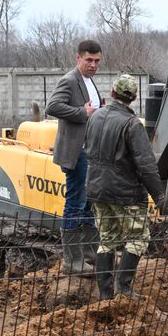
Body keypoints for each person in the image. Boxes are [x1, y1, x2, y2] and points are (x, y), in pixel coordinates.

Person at [84, 74, 165, 299]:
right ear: (134, 98)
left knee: (107, 239)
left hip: (97, 189)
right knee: (138, 237)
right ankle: (125, 288)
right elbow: (146, 166)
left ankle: (105, 295)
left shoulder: (95, 117)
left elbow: (88, 151)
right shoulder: (132, 124)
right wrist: (159, 196)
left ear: (111, 93)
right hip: (126, 193)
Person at [46, 40, 104, 273]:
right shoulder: (70, 80)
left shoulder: (89, 81)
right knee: (76, 203)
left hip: (90, 151)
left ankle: (90, 254)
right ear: (78, 58)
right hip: (77, 153)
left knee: (89, 203)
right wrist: (82, 112)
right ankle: (72, 260)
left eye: (97, 60)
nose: (93, 65)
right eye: (88, 60)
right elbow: (53, 106)